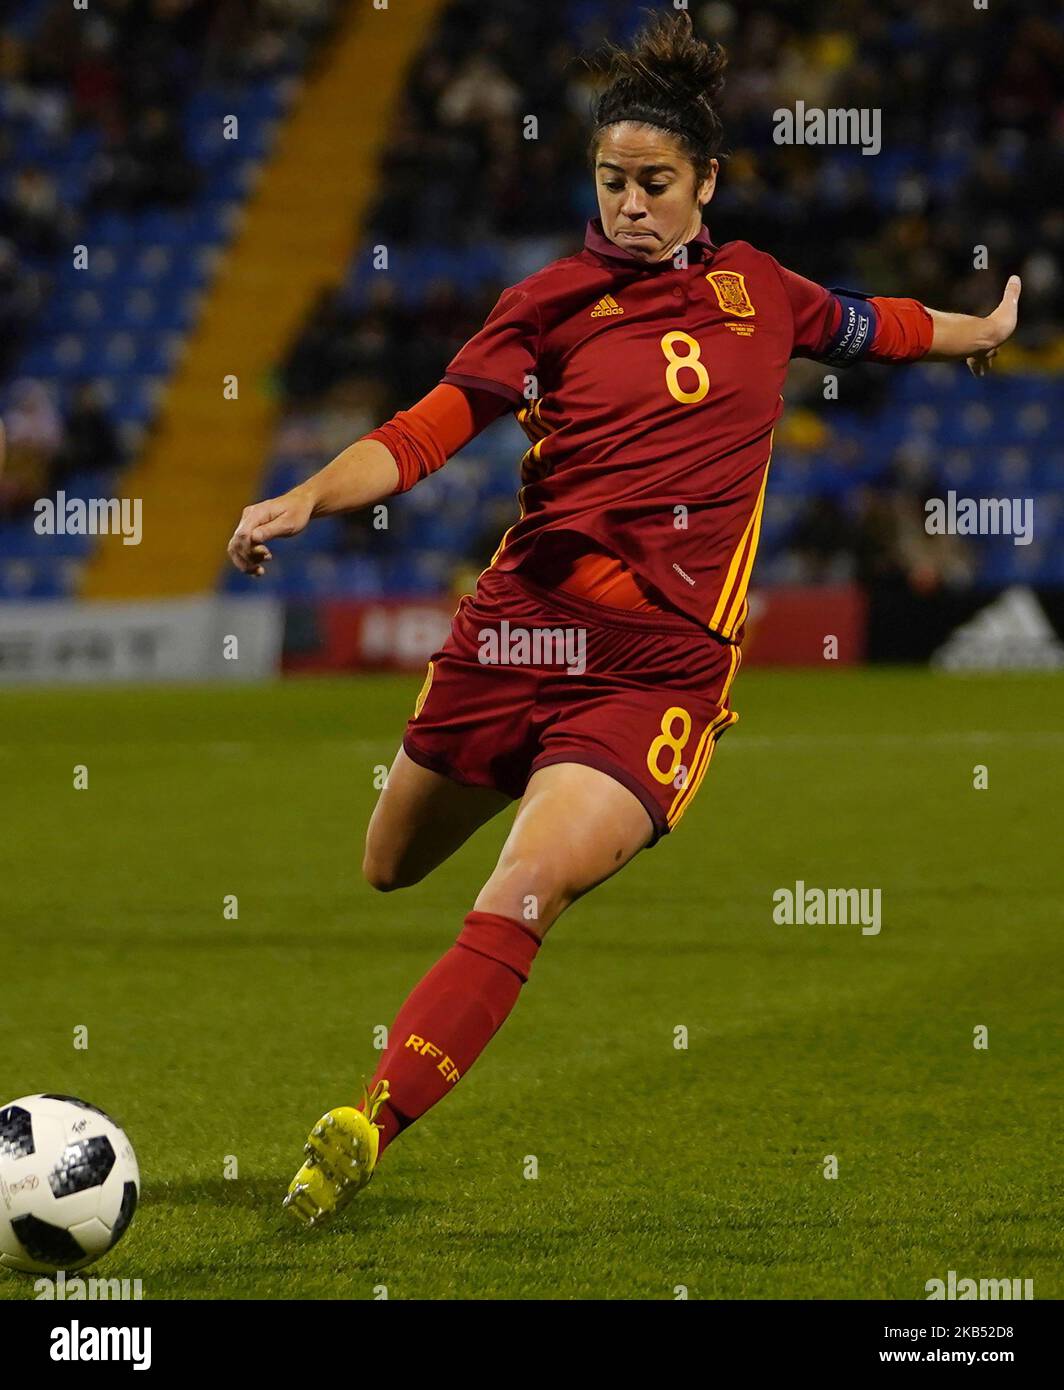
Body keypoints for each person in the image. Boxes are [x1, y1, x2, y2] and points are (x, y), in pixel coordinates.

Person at [226, 12, 1021, 1226]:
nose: (630, 206)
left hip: (656, 671)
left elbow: (876, 326)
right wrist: (304, 496)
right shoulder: (544, 305)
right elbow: (426, 431)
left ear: (705, 184)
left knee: (522, 887)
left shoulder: (763, 290)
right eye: (610, 182)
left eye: (655, 184)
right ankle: (513, 779)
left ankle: (363, 1124)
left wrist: (980, 331)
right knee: (387, 867)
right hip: (515, 629)